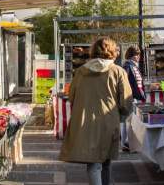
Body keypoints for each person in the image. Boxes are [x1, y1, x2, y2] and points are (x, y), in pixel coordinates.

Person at [59, 37, 132, 185]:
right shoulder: (118, 71)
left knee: (93, 163)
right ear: (112, 51)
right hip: (109, 121)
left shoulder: (80, 71)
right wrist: (123, 115)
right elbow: (126, 101)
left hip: (85, 122)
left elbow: (71, 96)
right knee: (105, 161)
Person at [120, 46, 145, 151]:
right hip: (130, 97)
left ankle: (128, 143)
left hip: (133, 97)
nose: (138, 56)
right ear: (132, 55)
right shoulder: (128, 66)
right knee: (128, 121)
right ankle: (126, 143)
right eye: (136, 54)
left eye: (138, 54)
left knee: (129, 121)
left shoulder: (132, 66)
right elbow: (127, 83)